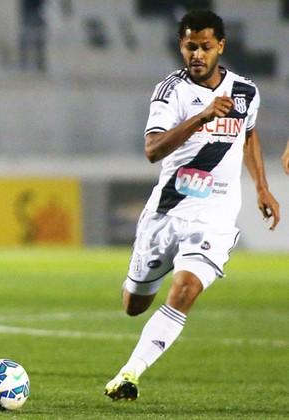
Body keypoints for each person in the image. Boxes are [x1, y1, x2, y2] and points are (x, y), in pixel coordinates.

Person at [104, 9, 279, 401]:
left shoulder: (245, 92)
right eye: (189, 47)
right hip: (167, 213)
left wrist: (262, 188)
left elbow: (248, 135)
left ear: (220, 46)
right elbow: (152, 150)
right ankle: (142, 277)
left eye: (204, 46)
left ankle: (129, 374)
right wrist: (201, 116)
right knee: (134, 305)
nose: (196, 54)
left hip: (214, 217)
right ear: (180, 47)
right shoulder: (171, 91)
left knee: (185, 289)